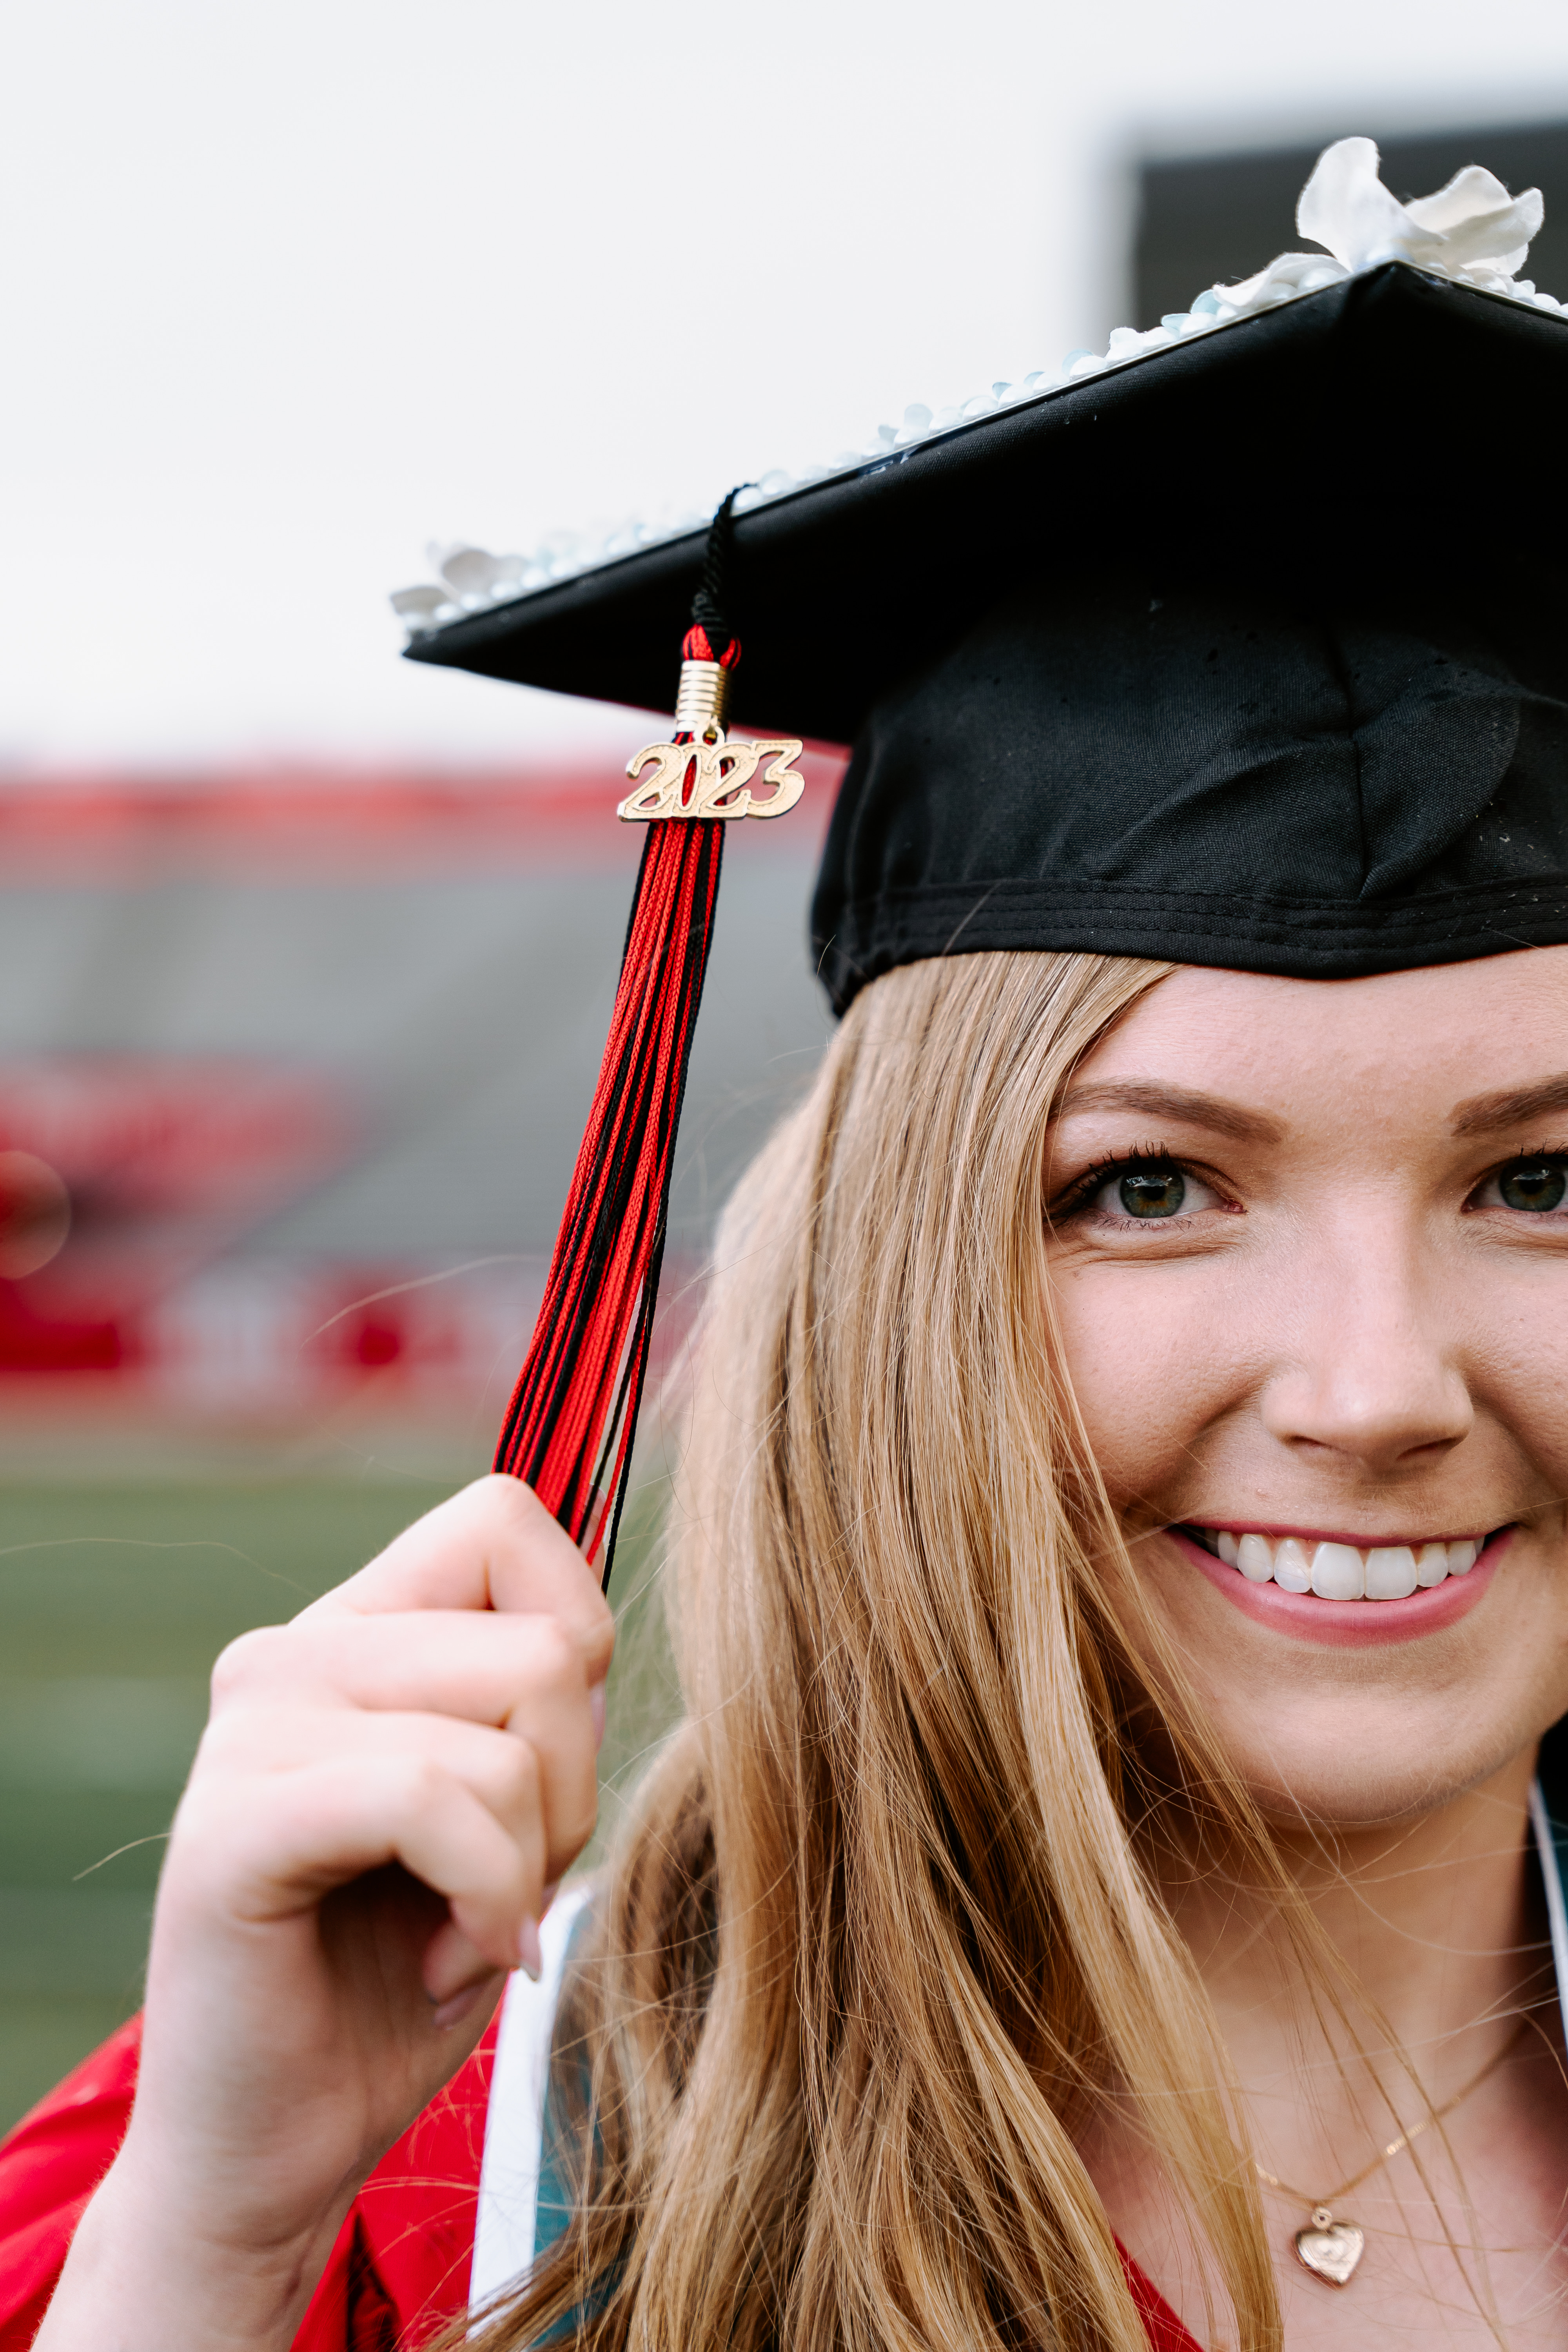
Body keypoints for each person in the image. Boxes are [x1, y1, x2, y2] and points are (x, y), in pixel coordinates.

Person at [8, 136, 1568, 2350]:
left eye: (1545, 1182)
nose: (1377, 1385)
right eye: (1149, 1187)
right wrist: (225, 2257)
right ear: (893, 1285)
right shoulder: (430, 2170)